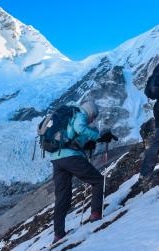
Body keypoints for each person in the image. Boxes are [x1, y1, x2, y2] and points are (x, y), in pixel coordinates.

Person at [47, 101, 115, 243]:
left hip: (56, 159)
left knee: (62, 197)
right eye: (93, 117)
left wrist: (88, 142)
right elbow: (80, 128)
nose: (92, 120)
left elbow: (75, 136)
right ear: (90, 112)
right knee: (97, 181)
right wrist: (98, 137)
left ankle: (58, 235)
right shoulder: (80, 114)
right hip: (70, 157)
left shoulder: (68, 118)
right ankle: (95, 215)